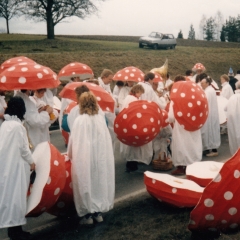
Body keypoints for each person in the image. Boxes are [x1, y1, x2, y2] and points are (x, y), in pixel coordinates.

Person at [68, 92, 114, 225]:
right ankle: (98, 213)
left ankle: (87, 215)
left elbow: (73, 140)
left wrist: (70, 154)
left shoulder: (80, 121)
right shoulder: (100, 119)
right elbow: (106, 139)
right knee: (98, 182)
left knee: (85, 182)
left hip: (84, 157)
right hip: (99, 157)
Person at [0, 97, 35, 240]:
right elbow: (24, 149)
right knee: (17, 196)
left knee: (9, 196)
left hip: (5, 165)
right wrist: (32, 162)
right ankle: (16, 230)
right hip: (16, 165)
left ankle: (14, 229)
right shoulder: (18, 126)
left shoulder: (5, 124)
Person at [120, 85, 153, 172]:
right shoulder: (134, 99)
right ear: (137, 91)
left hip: (127, 123)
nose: (140, 95)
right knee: (134, 145)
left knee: (130, 144)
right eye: (140, 93)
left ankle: (131, 162)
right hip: (133, 123)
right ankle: (132, 164)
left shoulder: (127, 97)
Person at [200, 76, 221, 157]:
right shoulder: (210, 90)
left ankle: (213, 149)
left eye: (202, 83)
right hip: (212, 113)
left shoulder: (208, 91)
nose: (201, 84)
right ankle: (209, 148)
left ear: (207, 83)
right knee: (211, 131)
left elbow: (205, 102)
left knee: (209, 131)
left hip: (209, 114)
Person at [98, 69, 116, 144]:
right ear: (104, 77)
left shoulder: (107, 85)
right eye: (109, 79)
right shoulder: (98, 85)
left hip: (109, 112)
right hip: (103, 112)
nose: (110, 81)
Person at [225, 81, 240, 155]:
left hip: (233, 123)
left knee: (234, 139)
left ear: (236, 87)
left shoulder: (232, 97)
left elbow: (225, 108)